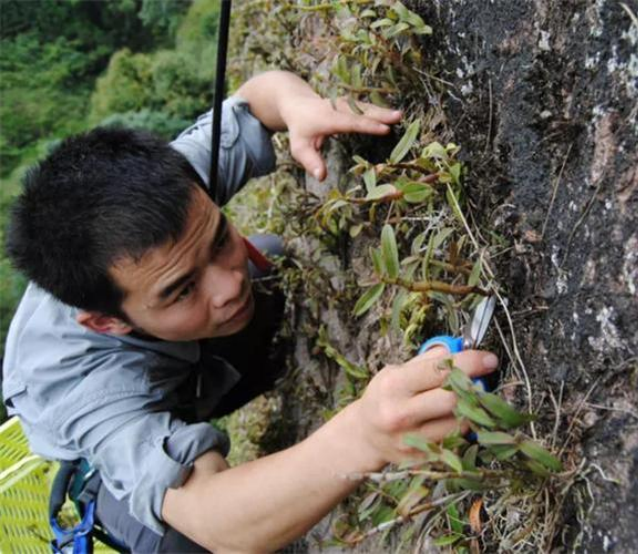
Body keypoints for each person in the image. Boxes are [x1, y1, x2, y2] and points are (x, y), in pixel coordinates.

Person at [2, 70, 498, 551]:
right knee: (186, 540)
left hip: (182, 349)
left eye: (218, 239)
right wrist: (364, 434)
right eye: (181, 289)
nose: (229, 284)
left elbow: (259, 97)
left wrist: (300, 106)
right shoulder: (79, 384)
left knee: (272, 266)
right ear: (107, 321)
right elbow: (214, 519)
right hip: (111, 440)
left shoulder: (168, 191)